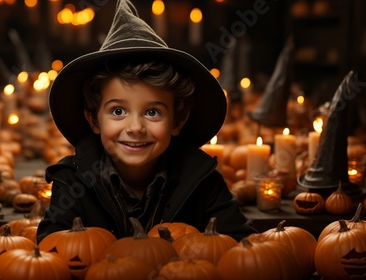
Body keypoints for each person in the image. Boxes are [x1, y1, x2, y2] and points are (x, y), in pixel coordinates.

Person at [36, 0, 257, 243]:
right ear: (94, 120)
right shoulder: (71, 180)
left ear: (177, 121)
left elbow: (242, 247)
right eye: (118, 111)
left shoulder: (203, 180)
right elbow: (52, 250)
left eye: (152, 112)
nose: (135, 128)